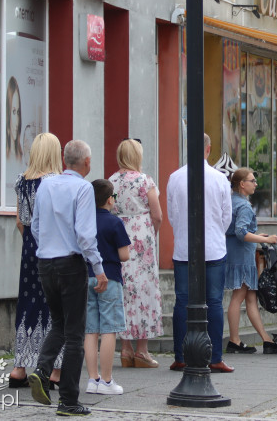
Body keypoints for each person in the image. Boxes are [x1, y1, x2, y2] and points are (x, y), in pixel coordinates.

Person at [27, 139, 107, 417]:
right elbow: (86, 235)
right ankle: (69, 400)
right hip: (71, 264)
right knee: (75, 334)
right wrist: (98, 268)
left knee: (59, 323)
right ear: (86, 162)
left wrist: (47, 246)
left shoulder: (46, 184)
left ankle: (41, 369)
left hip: (45, 262)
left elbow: (35, 225)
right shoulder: (83, 188)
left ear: (65, 160)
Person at [166, 133, 234, 373]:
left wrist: (185, 233)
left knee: (182, 301)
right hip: (214, 247)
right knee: (214, 302)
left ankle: (181, 356)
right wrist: (215, 232)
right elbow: (227, 216)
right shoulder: (220, 179)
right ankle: (215, 356)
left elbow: (172, 216)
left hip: (184, 248)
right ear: (208, 149)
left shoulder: (175, 178)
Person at [10, 133, 65, 388]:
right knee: (55, 306)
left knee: (28, 303)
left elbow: (21, 220)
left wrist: (29, 243)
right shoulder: (55, 182)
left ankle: (19, 368)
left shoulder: (22, 181)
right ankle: (55, 370)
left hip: (29, 249)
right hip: (51, 248)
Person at [109, 139, 163, 369]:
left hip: (118, 236)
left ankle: (126, 349)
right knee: (144, 290)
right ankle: (142, 351)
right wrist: (152, 233)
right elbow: (157, 214)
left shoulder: (111, 181)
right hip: (142, 238)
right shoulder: (144, 180)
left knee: (124, 291)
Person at [225, 167, 277, 355]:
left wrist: (256, 236)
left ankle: (266, 339)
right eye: (252, 180)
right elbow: (241, 232)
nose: (256, 184)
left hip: (238, 254)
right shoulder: (244, 206)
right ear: (242, 184)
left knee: (250, 298)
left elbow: (236, 230)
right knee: (239, 297)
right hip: (241, 256)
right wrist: (265, 239)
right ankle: (234, 341)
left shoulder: (231, 201)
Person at [84, 179, 131, 396]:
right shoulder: (114, 223)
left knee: (90, 329)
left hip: (86, 277)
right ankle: (107, 380)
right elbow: (124, 255)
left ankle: (92, 379)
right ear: (110, 199)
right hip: (110, 278)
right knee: (109, 329)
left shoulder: (84, 221)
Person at [6, 76, 23, 162]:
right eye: (13, 112)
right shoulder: (5, 155)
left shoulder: (21, 156)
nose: (17, 121)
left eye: (18, 113)